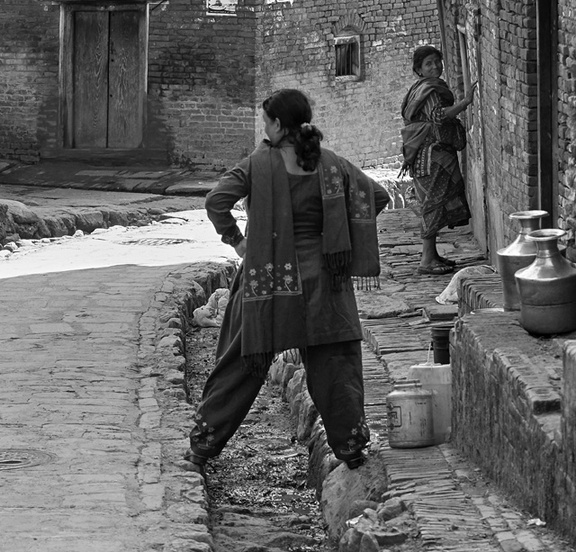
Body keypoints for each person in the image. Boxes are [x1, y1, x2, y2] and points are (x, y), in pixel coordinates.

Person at [187, 88, 389, 472]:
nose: (264, 129)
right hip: (325, 284)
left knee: (242, 362)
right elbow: (375, 197)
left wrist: (240, 241)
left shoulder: (258, 165)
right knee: (336, 366)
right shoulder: (332, 164)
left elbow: (216, 201)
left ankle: (203, 445)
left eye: (266, 121)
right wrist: (338, 237)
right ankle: (351, 449)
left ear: (279, 125)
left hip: (269, 284)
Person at [400, 45, 478, 276]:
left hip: (428, 155)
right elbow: (438, 117)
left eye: (437, 61)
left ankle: (432, 255)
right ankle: (426, 259)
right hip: (433, 159)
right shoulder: (430, 91)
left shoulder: (420, 89)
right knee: (432, 205)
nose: (435, 66)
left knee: (433, 204)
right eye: (428, 64)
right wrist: (465, 103)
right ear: (419, 70)